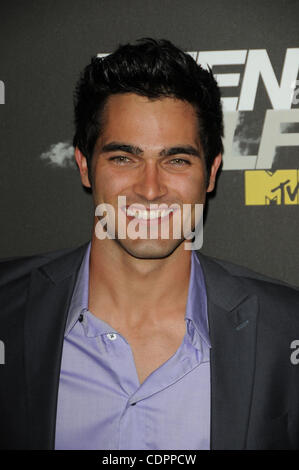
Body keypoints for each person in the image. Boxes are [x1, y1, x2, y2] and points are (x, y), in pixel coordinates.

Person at [0, 38, 298, 451]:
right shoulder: (7, 311)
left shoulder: (286, 330)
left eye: (177, 160)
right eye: (124, 157)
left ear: (210, 174)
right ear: (85, 165)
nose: (151, 188)